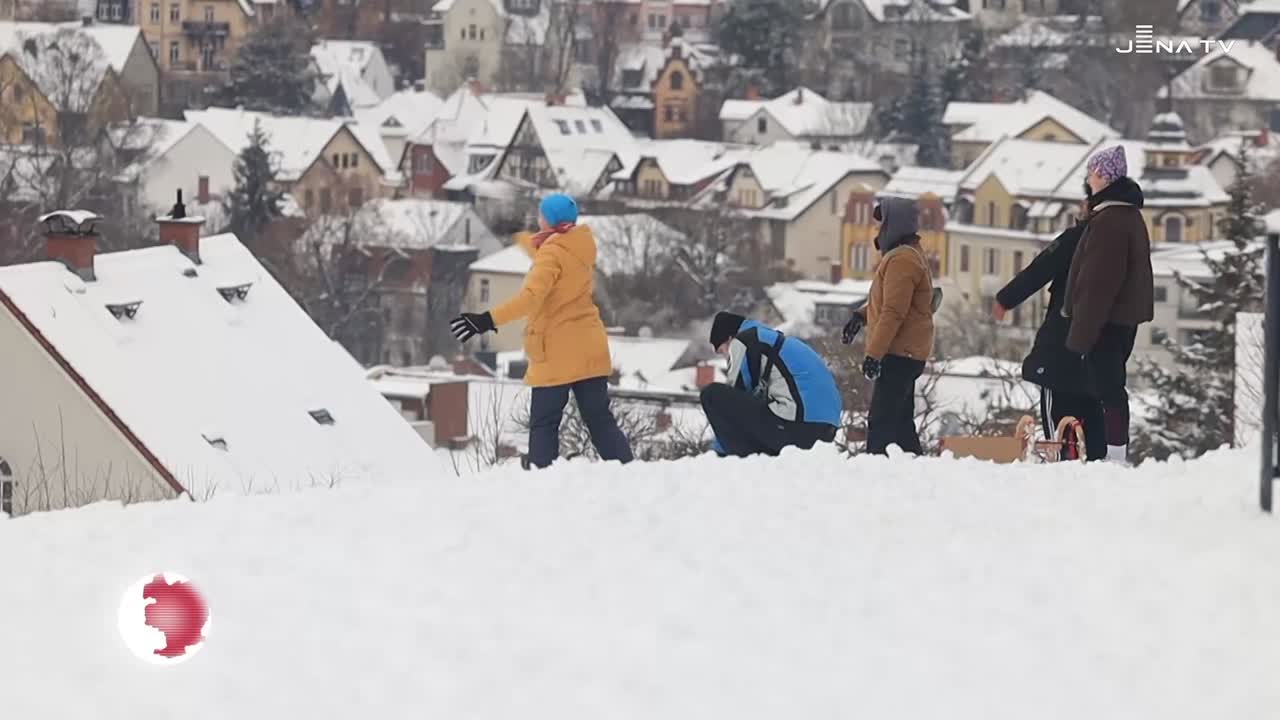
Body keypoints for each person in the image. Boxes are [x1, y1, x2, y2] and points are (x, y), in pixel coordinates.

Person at [449, 193, 634, 469]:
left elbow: (530, 298)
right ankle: (628, 470)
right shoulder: (579, 245)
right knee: (599, 419)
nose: (537, 218)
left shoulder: (551, 253)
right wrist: (517, 235)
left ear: (549, 219)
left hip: (558, 349)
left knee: (544, 423)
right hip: (590, 347)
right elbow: (549, 253)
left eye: (540, 215)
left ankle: (541, 478)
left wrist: (487, 319)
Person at [1061, 145, 1155, 464]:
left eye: (1091, 172)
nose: (1088, 178)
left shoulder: (1110, 221)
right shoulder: (1125, 214)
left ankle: (1115, 456)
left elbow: (1097, 284)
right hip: (1120, 318)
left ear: (1103, 176)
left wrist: (1080, 334)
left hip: (1107, 320)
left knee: (1109, 387)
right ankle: (1114, 452)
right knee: (1108, 385)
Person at [992, 200, 1106, 460]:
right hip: (1100, 348)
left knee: (1059, 419)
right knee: (1091, 412)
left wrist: (1005, 299)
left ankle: (1062, 468)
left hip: (1063, 345)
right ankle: (1099, 469)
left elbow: (1040, 269)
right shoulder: (1121, 240)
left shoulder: (1078, 238)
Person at [840, 197, 936, 456]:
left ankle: (875, 472)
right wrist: (860, 317)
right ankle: (916, 469)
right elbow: (887, 303)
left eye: (882, 223)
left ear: (894, 225)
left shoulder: (902, 260)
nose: (878, 230)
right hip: (905, 353)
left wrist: (874, 354)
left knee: (882, 423)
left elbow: (894, 312)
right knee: (901, 426)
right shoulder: (907, 255)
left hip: (898, 354)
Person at [700, 312, 841, 457]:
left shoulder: (744, 339)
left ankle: (733, 460)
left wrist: (716, 449)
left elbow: (735, 396)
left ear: (730, 338)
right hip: (825, 432)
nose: (727, 358)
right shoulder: (776, 342)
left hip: (796, 425)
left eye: (723, 351)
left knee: (712, 395)